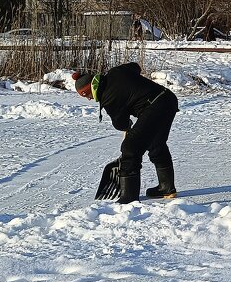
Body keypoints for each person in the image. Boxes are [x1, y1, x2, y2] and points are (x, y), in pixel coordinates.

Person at [73, 62, 180, 203]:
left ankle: (129, 197)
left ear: (91, 90)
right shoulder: (115, 71)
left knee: (130, 148)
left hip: (154, 107)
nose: (89, 99)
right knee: (156, 143)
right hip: (168, 99)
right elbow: (135, 66)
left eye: (87, 96)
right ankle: (166, 187)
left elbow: (120, 123)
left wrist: (127, 123)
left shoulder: (108, 97)